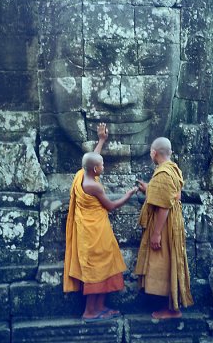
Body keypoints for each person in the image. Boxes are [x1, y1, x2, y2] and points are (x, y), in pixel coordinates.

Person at [63, 123, 137, 322]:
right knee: (97, 269)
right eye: (102, 165)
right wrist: (128, 195)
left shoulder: (81, 176)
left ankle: (100, 307)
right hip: (94, 232)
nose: (104, 167)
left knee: (104, 266)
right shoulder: (94, 187)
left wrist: (101, 140)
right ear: (96, 170)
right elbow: (111, 206)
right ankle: (90, 311)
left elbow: (90, 160)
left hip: (91, 230)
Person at [135, 137, 194, 319]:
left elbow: (164, 206)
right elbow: (172, 195)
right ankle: (171, 307)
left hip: (166, 225)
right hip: (172, 221)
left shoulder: (163, 174)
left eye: (151, 152)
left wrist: (156, 234)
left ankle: (173, 309)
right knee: (168, 260)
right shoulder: (173, 168)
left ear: (154, 153)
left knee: (168, 262)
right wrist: (150, 189)